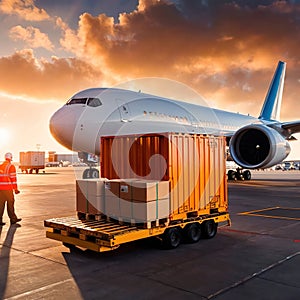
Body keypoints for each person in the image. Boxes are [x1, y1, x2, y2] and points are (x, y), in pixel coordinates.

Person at [0, 152, 21, 226]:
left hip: (0, 190)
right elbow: (13, 179)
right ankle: (13, 219)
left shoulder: (0, 166)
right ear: (11, 158)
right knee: (10, 204)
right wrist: (15, 189)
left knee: (0, 205)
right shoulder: (11, 166)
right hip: (8, 189)